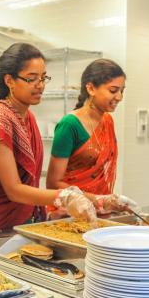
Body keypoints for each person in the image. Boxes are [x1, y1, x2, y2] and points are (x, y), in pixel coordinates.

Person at [0, 43, 107, 233]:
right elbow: (13, 189)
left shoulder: (27, 116)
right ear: (9, 80)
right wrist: (64, 197)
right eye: (31, 79)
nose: (40, 85)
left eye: (43, 78)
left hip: (22, 221)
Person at [46, 59, 138, 214]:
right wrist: (96, 199)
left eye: (122, 91)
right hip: (68, 212)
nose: (120, 97)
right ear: (91, 88)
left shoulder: (107, 120)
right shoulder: (69, 125)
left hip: (100, 210)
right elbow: (53, 183)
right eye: (113, 90)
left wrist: (105, 201)